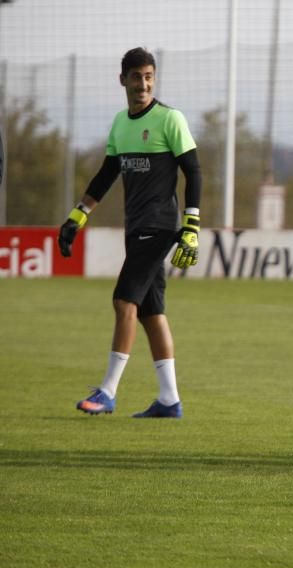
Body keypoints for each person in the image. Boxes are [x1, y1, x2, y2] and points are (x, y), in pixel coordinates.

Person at [58, 47, 202, 419]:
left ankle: (107, 391)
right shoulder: (121, 123)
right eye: (136, 76)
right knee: (152, 313)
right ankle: (170, 400)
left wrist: (191, 225)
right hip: (135, 226)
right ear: (122, 79)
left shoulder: (171, 119)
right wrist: (78, 216)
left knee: (124, 301)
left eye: (149, 76)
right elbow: (107, 174)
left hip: (158, 226)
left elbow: (195, 172)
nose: (143, 83)